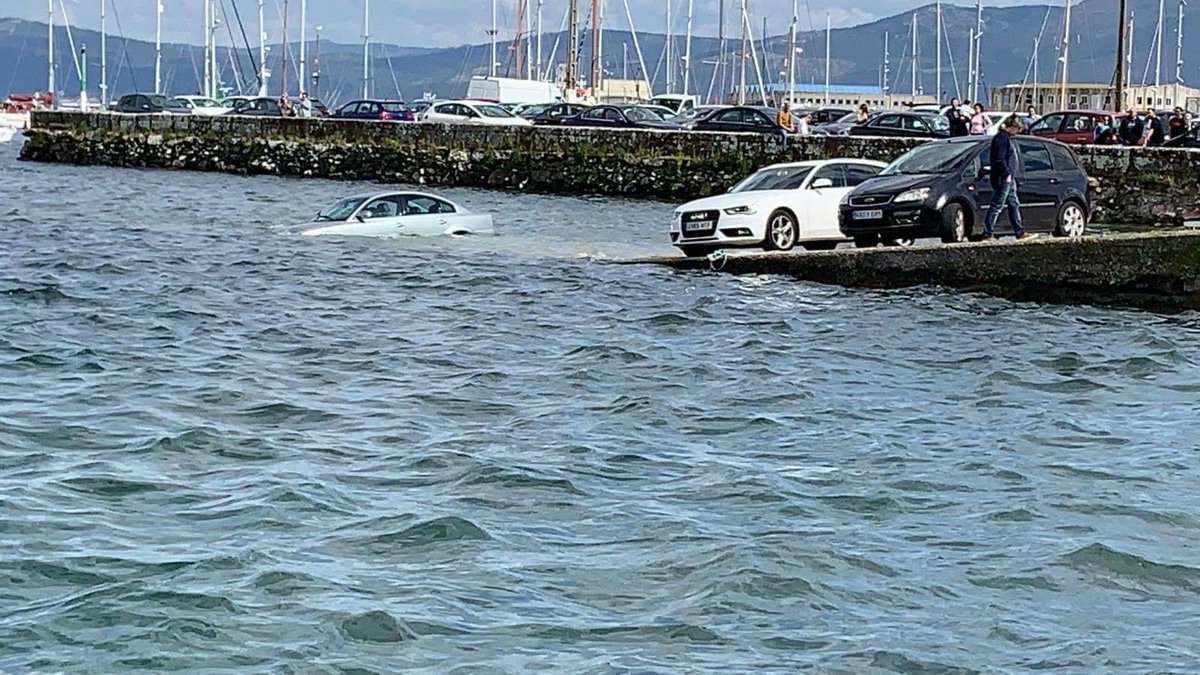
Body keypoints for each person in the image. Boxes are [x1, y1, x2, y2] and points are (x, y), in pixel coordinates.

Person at [983, 117, 1038, 241]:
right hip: (1004, 178)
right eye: (1018, 129)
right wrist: (1006, 174)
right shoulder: (1001, 139)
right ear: (1012, 126)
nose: (1018, 132)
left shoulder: (1004, 138)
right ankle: (987, 233)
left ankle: (1019, 231)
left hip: (1009, 178)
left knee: (1014, 204)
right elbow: (999, 159)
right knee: (997, 205)